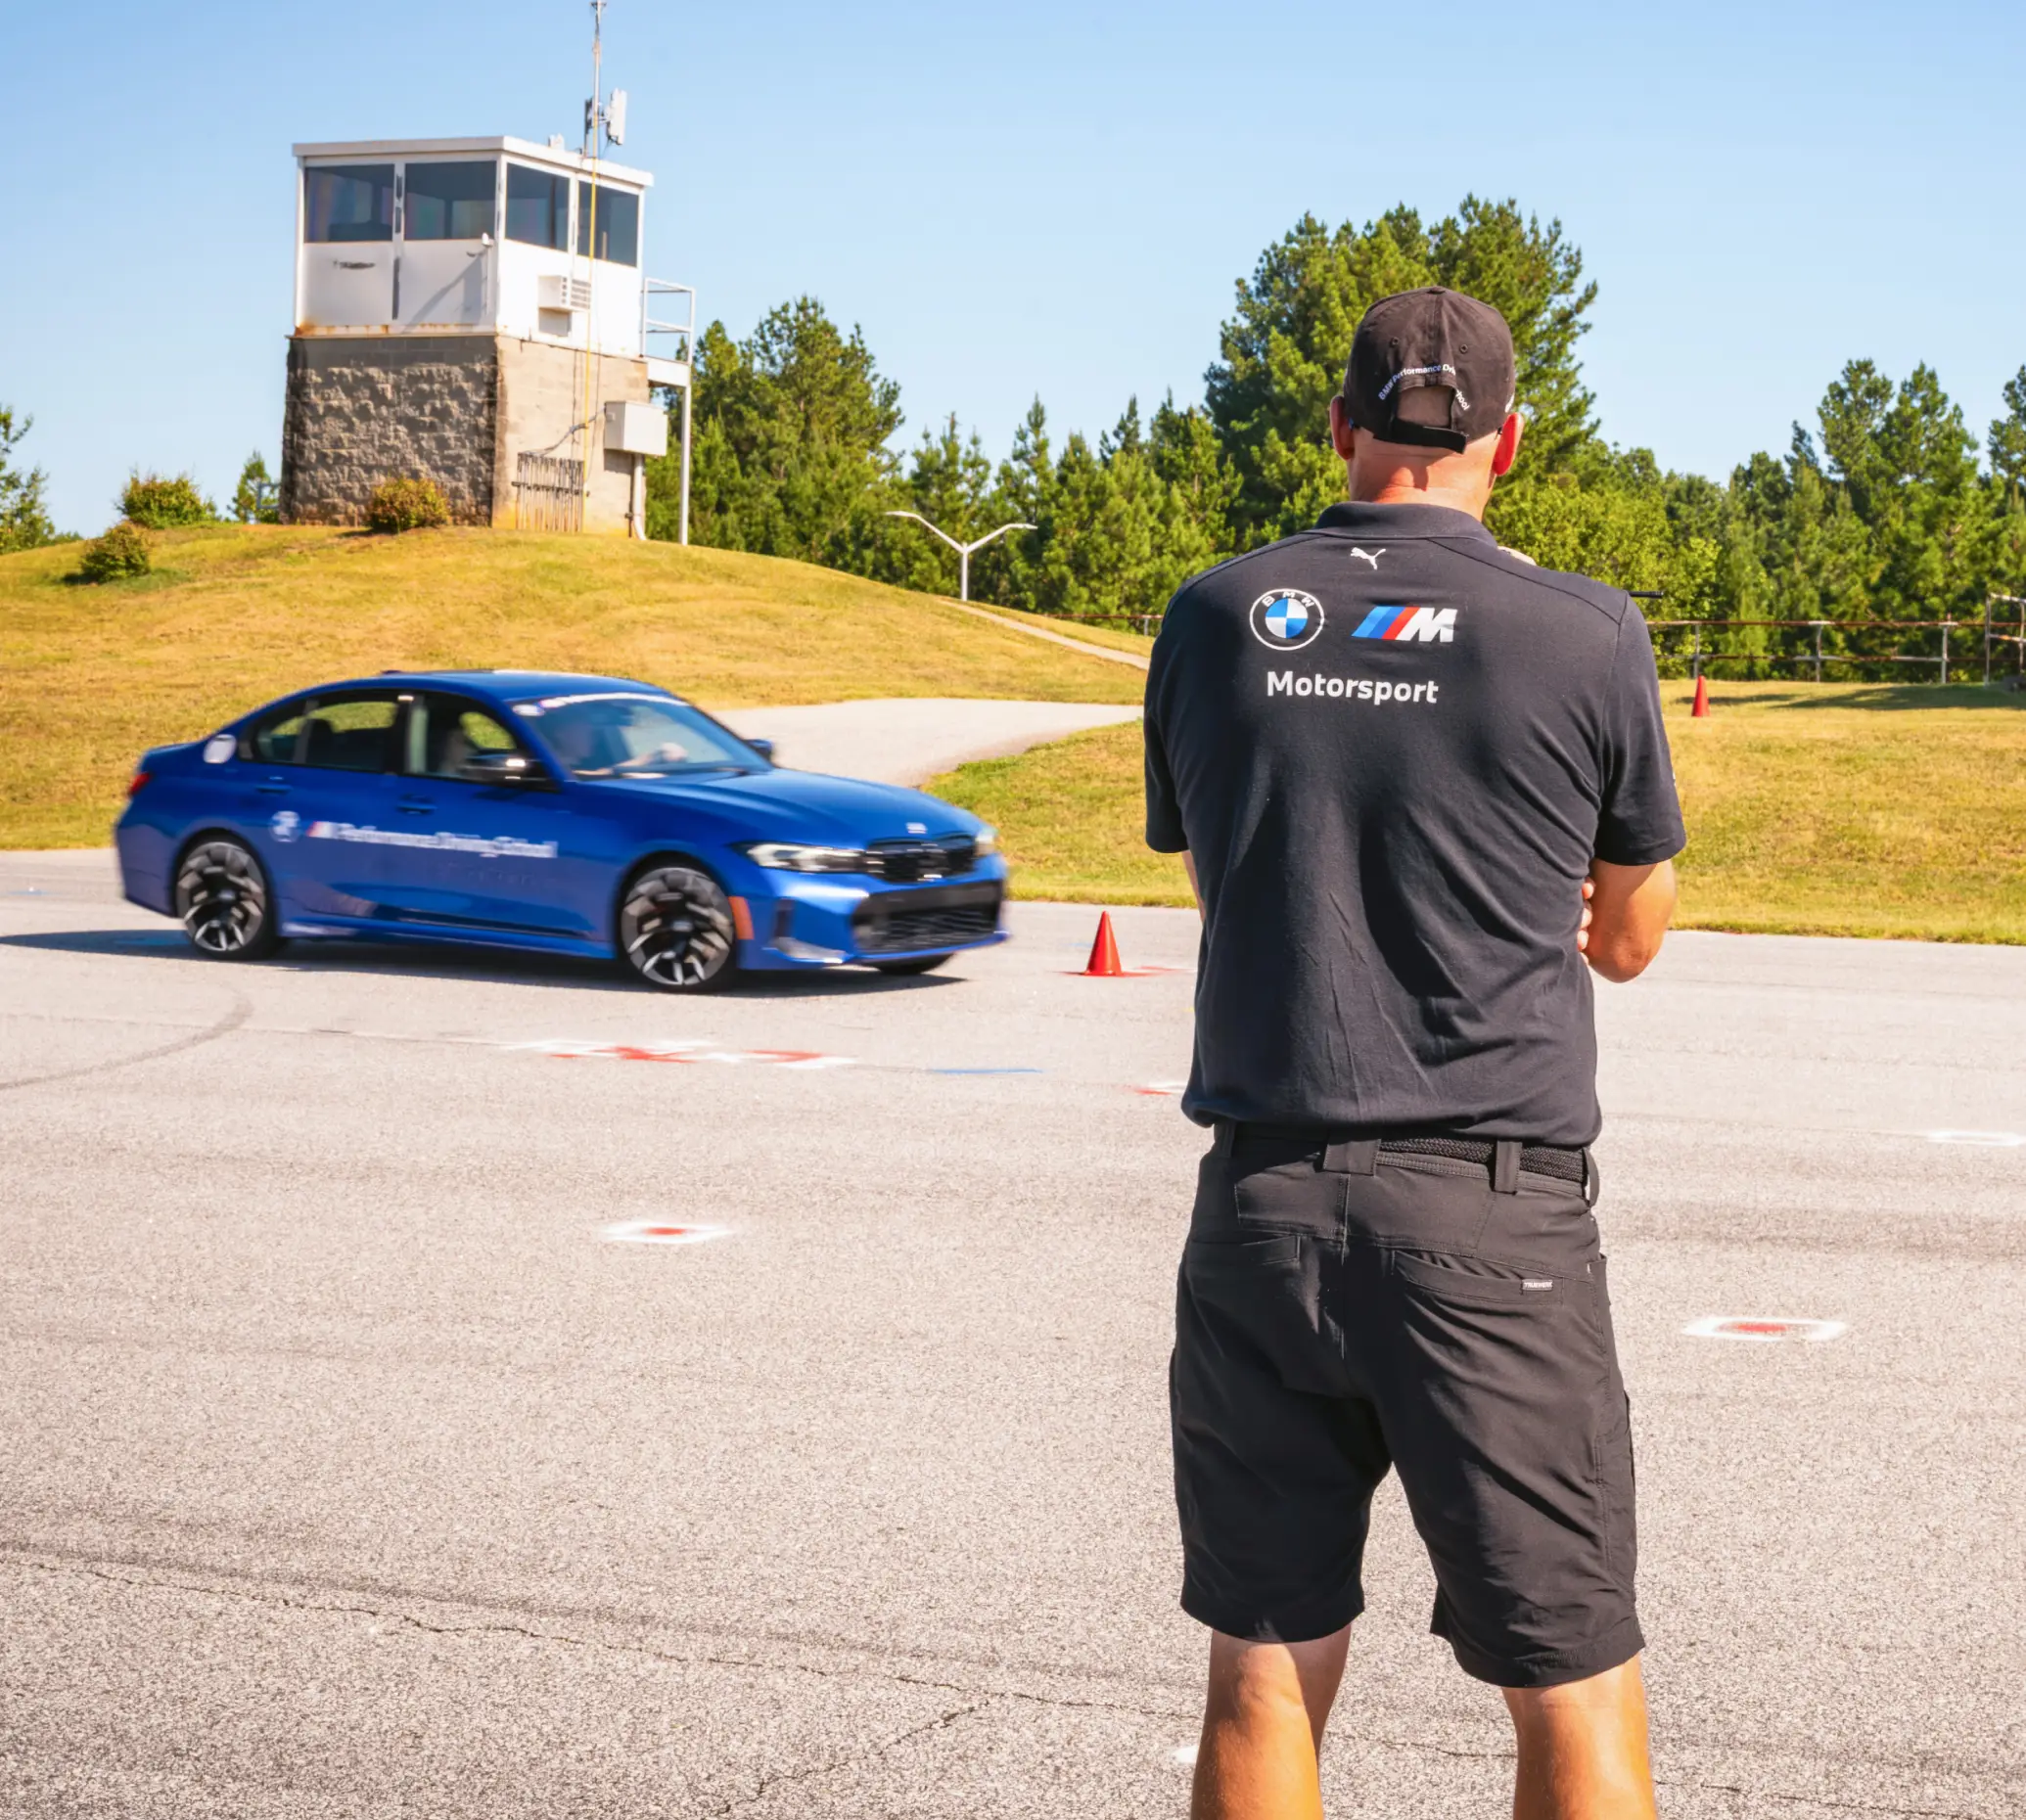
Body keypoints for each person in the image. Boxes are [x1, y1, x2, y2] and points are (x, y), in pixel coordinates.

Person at [1143, 285, 1684, 1820]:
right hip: (1488, 1215)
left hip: (1263, 1202)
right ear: (1508, 439)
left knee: (1261, 1667)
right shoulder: (1579, 630)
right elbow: (1627, 938)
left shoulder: (1213, 615)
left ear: (1338, 427)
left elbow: (1226, 879)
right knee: (1570, 1685)